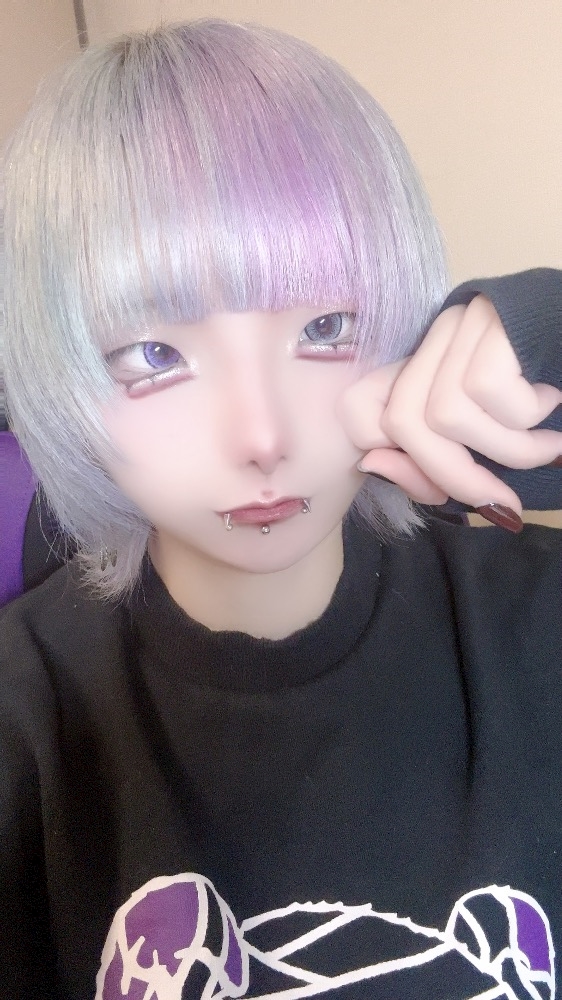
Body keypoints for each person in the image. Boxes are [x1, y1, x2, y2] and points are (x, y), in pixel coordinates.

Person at [0, 18, 560, 1000]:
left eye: (325, 327)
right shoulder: (28, 723)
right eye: (156, 355)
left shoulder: (535, 624)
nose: (261, 436)